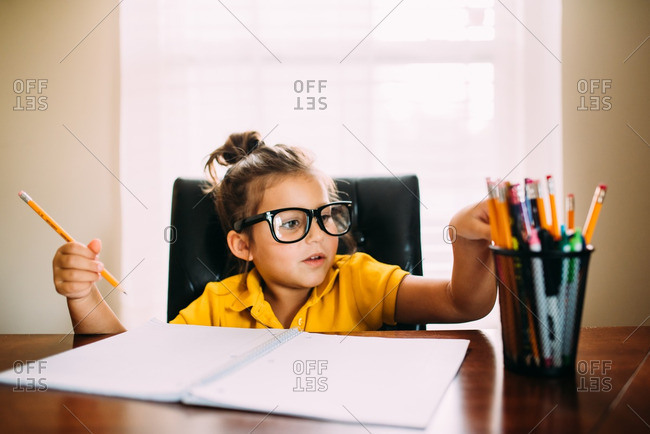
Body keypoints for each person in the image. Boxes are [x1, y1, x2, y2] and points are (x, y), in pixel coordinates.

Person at [52, 131, 496, 334]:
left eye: (326, 216)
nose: (318, 234)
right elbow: (131, 366)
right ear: (242, 244)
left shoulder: (359, 281)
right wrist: (83, 296)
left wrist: (466, 239)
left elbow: (462, 303)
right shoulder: (219, 306)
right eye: (290, 223)